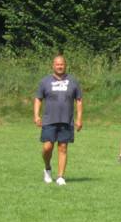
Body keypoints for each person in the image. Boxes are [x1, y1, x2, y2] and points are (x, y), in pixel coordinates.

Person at [33, 55, 83, 185]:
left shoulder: (73, 81)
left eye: (62, 64)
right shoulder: (45, 81)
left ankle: (60, 177)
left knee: (63, 148)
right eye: (57, 64)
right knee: (47, 147)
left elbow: (79, 100)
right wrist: (36, 115)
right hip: (49, 120)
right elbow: (38, 99)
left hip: (66, 120)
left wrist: (79, 119)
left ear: (65, 65)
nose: (60, 66)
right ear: (53, 65)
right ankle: (47, 168)